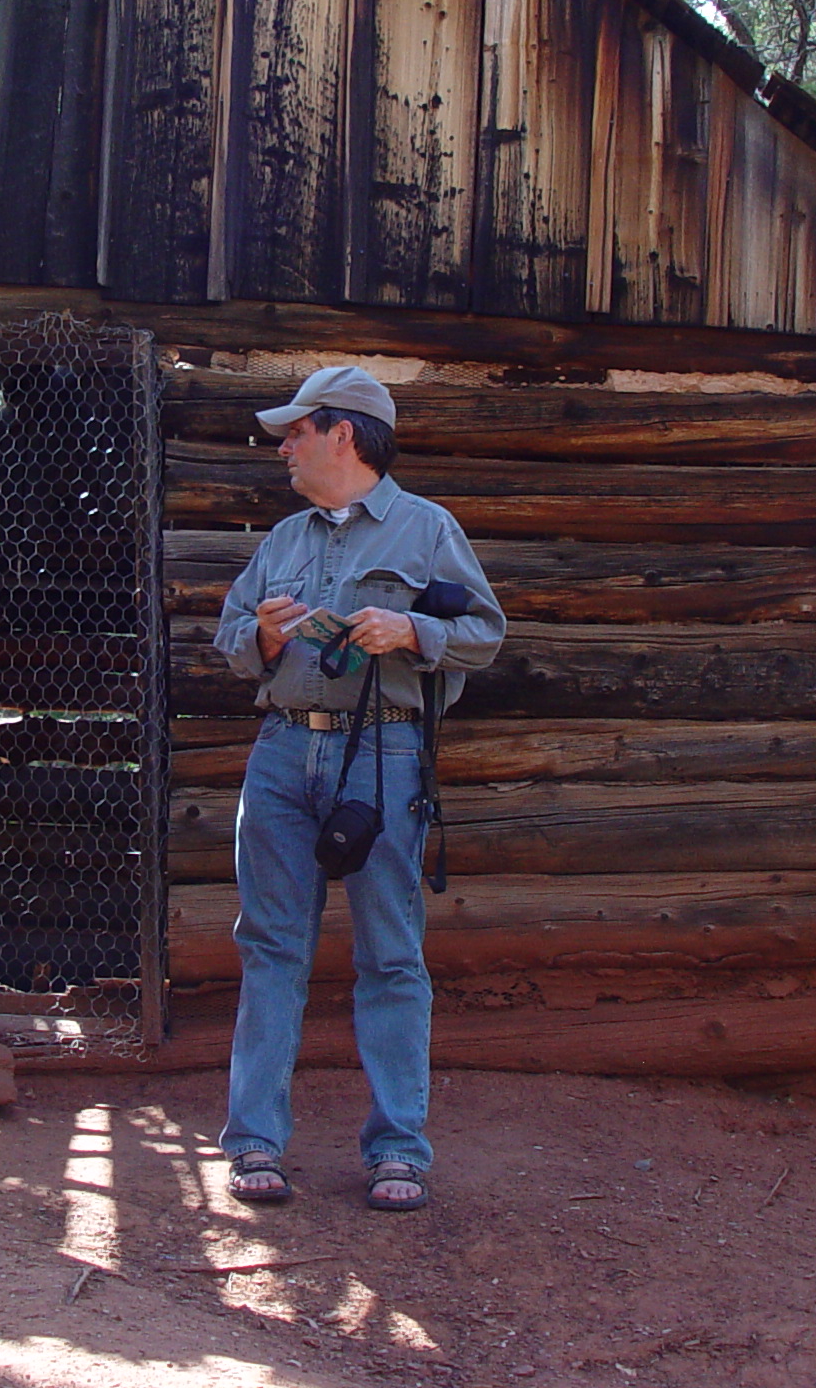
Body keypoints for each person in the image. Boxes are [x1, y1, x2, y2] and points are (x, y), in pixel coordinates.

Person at [212, 365, 504, 1212]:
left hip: (384, 759)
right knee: (270, 947)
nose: (284, 447)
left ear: (344, 434)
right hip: (278, 758)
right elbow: (232, 638)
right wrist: (263, 638)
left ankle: (399, 1150)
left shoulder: (426, 529)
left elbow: (485, 631)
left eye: (296, 432)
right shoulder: (284, 539)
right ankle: (255, 1143)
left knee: (390, 954)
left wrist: (412, 628)